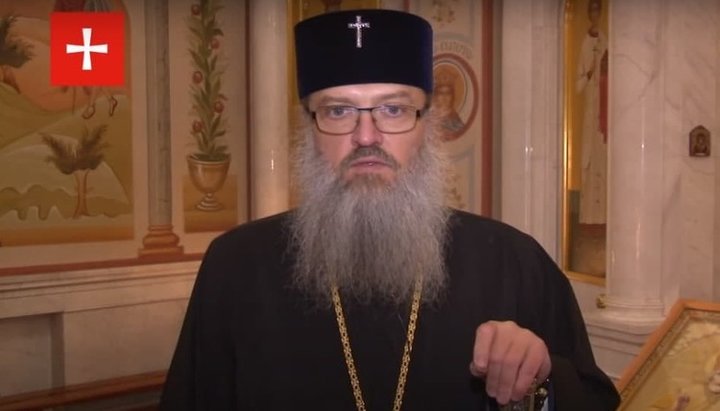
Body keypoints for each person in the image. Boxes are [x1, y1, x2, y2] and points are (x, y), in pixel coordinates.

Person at [160, 9, 620, 410]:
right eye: (338, 111)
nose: (366, 137)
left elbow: (590, 398)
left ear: (427, 125)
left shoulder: (513, 262)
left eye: (394, 110)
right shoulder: (235, 267)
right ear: (310, 129)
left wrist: (539, 382)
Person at [575, 0, 608, 226]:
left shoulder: (606, 40)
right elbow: (577, 85)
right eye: (592, 11)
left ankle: (604, 216)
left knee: (603, 158)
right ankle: (588, 217)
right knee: (588, 158)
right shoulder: (585, 44)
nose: (595, 14)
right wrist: (589, 72)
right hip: (590, 109)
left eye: (598, 10)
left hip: (604, 108)